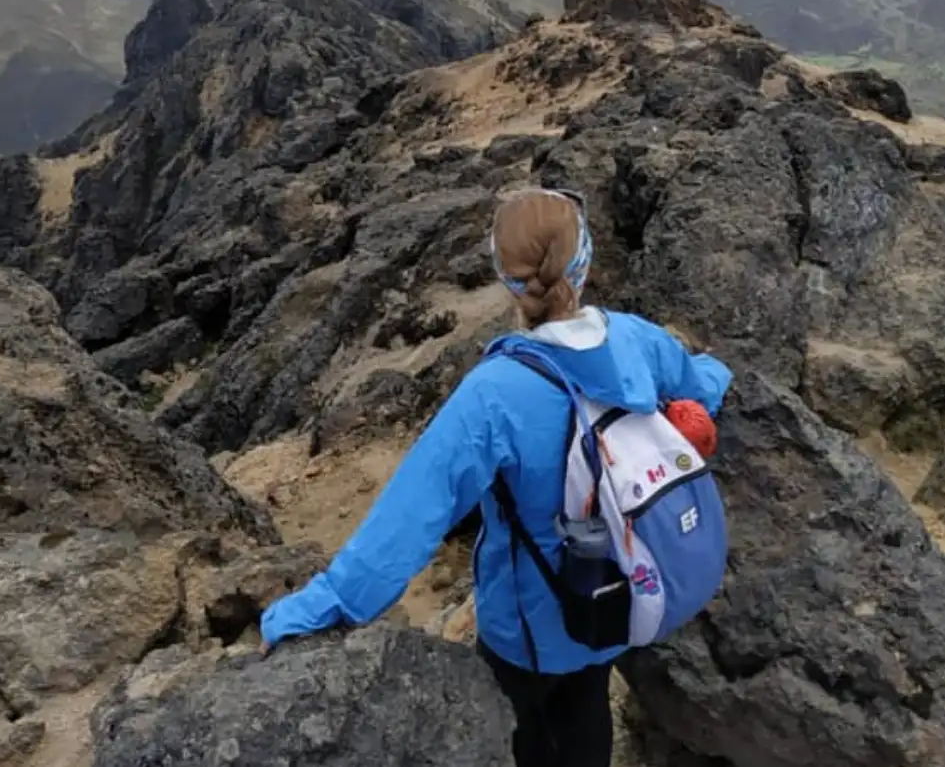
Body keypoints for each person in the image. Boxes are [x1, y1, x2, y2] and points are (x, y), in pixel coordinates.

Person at [259, 186, 733, 767]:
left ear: (503, 276)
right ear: (586, 258)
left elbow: (409, 523)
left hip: (527, 629)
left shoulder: (493, 396)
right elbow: (696, 386)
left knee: (525, 737)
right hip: (623, 592)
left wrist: (317, 608)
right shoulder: (635, 338)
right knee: (587, 712)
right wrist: (720, 369)